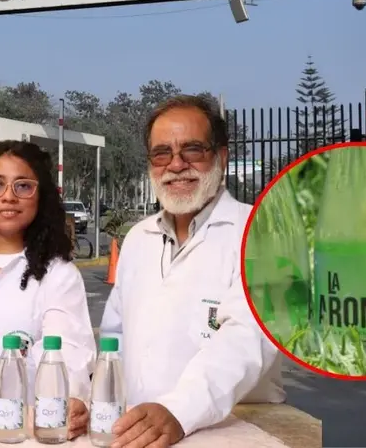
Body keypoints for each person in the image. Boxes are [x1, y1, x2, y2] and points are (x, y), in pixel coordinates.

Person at [99, 95, 283, 448]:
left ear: (222, 157)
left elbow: (247, 340)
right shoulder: (138, 238)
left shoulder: (260, 233)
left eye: (193, 150)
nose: (176, 165)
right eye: (161, 153)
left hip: (233, 433)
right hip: (140, 433)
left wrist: (179, 411)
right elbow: (114, 336)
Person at [0, 140, 95, 439]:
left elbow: (69, 352)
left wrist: (73, 398)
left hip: (26, 432)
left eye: (23, 186)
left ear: (41, 197)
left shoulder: (58, 275)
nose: (8, 197)